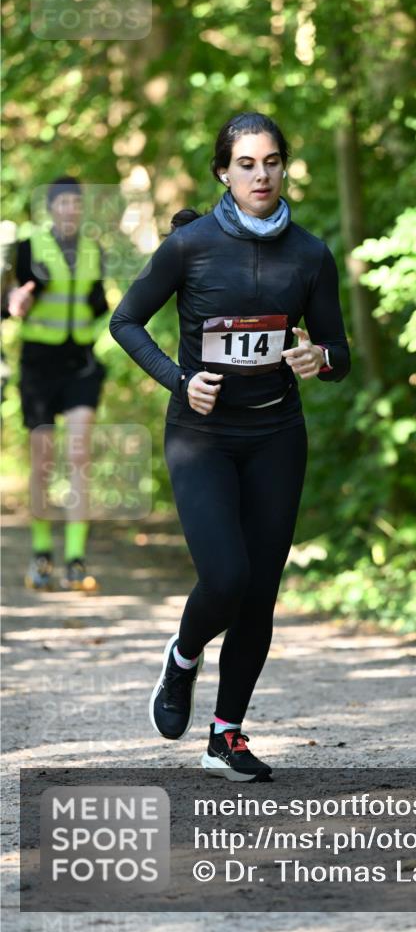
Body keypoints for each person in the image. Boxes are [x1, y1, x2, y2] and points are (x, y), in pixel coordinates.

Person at [109, 112, 351, 781]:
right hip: (203, 437)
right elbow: (125, 321)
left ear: (284, 167)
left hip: (277, 435)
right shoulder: (190, 247)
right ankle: (182, 656)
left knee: (260, 592)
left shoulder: (310, 255)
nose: (260, 175)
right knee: (226, 578)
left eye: (271, 161)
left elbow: (339, 351)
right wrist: (180, 381)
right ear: (223, 172)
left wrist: (321, 358)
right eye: (246, 164)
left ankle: (226, 736)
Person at [4, 177, 108, 591]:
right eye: (62, 203)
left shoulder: (93, 251)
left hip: (80, 364)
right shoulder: (27, 248)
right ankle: (42, 554)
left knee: (80, 456)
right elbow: (7, 297)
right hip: (38, 368)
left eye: (75, 203)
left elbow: (98, 304)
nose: (69, 210)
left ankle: (77, 560)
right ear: (50, 208)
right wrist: (13, 302)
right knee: (43, 460)